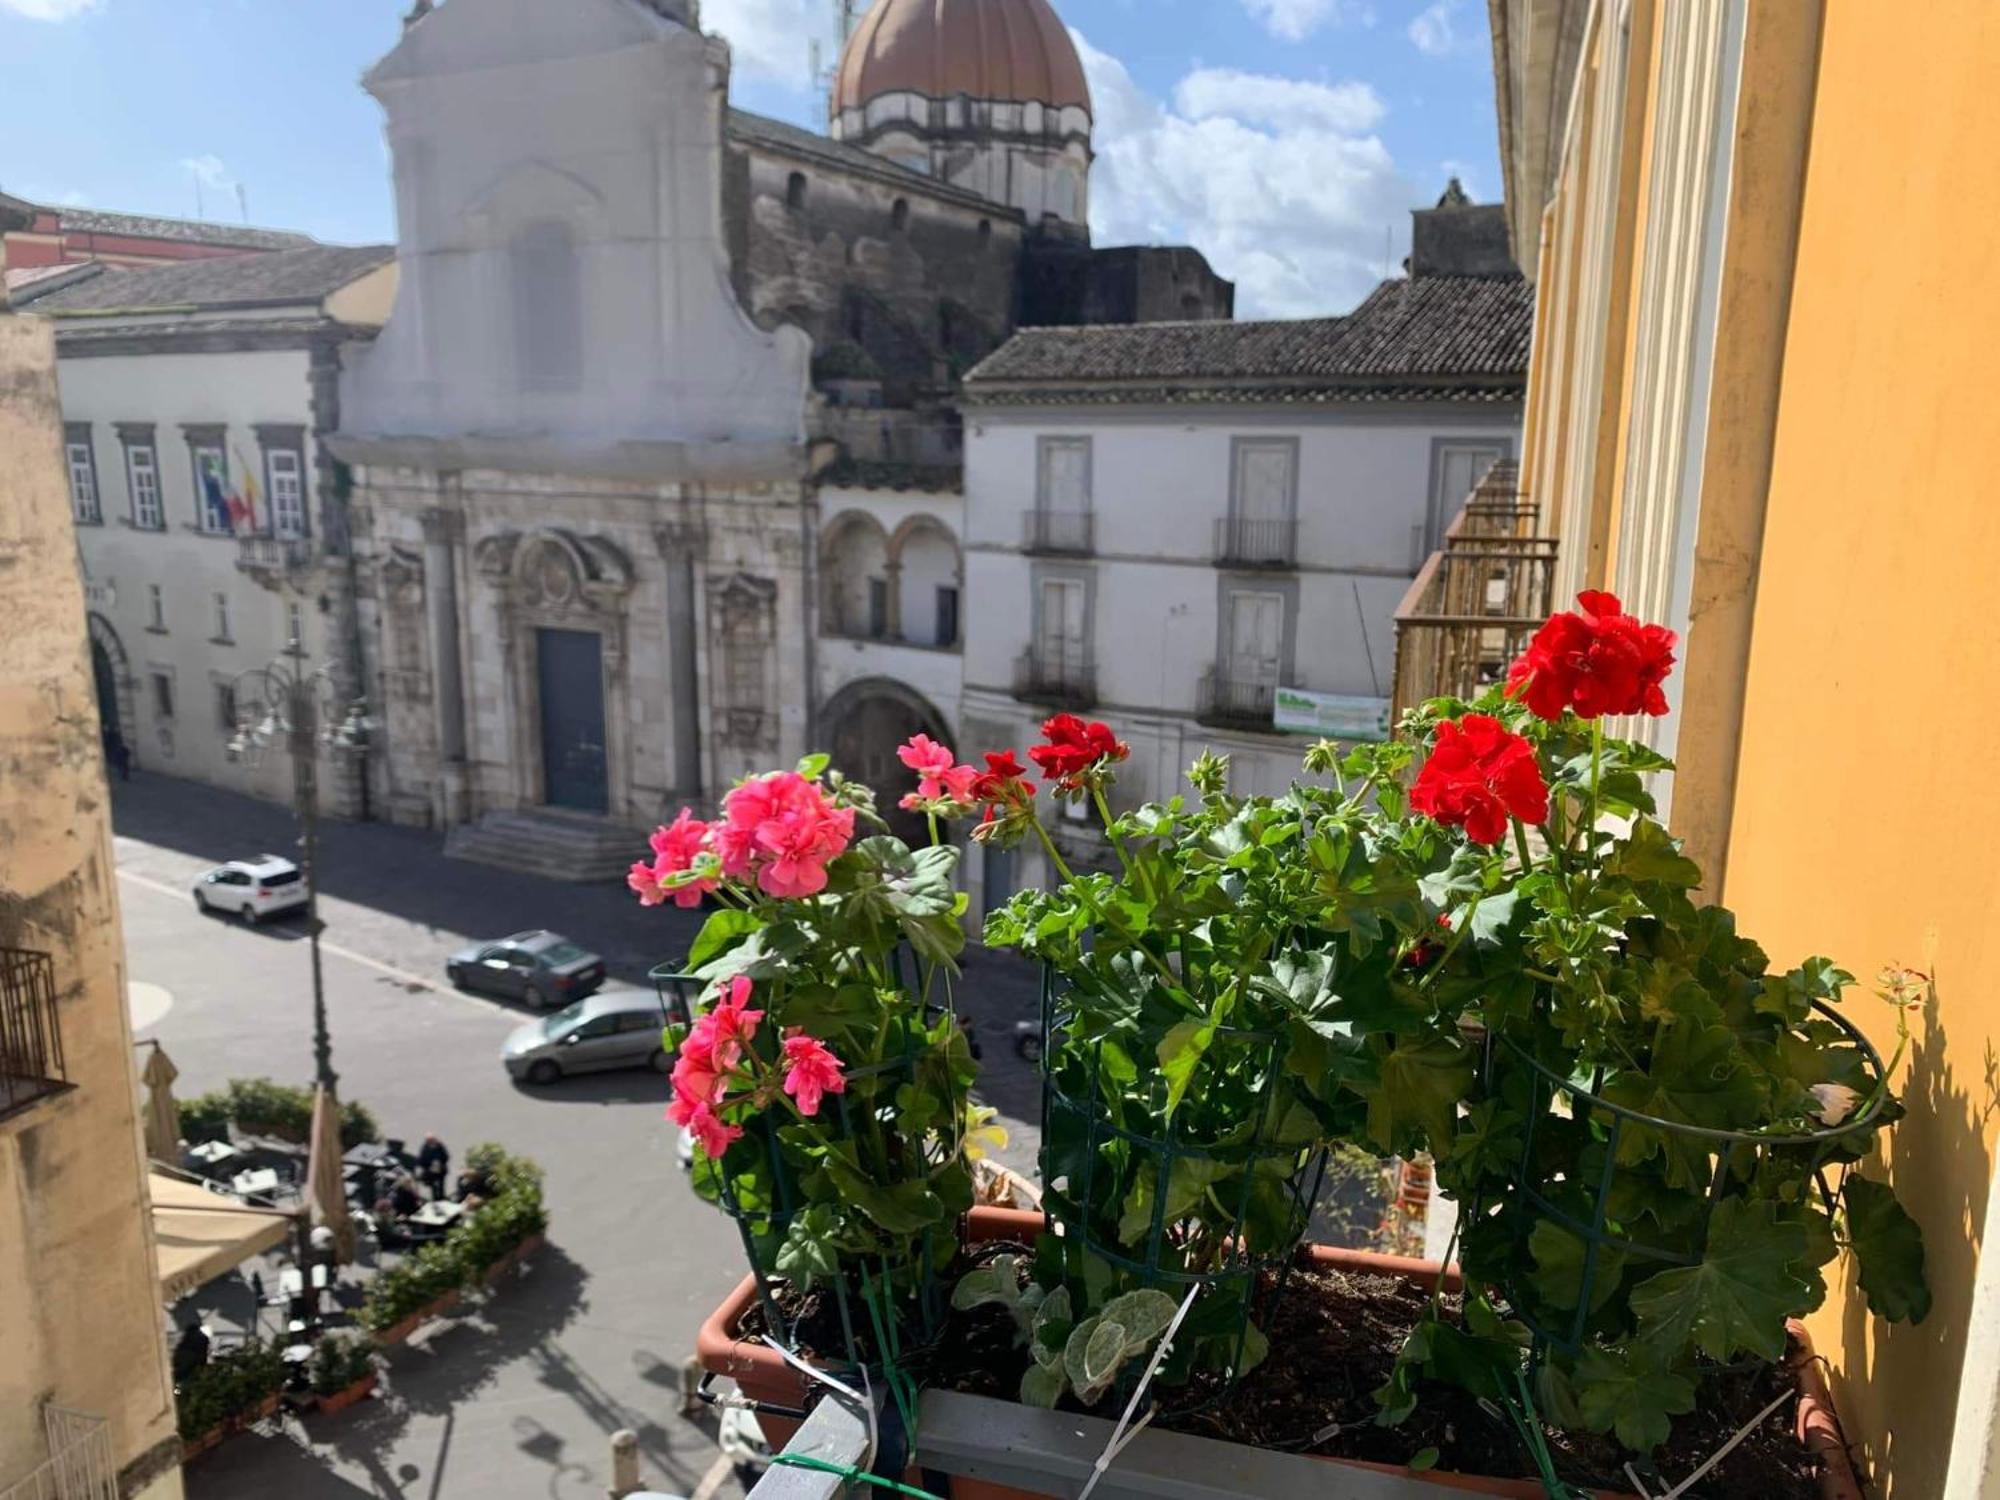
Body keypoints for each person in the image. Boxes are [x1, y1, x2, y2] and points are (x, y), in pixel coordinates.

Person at [172, 1319, 210, 1385]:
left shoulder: (187, 1339)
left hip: (187, 1356)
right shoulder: (203, 1338)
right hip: (193, 1359)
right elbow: (204, 1352)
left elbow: (178, 1354)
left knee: (182, 1373)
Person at [417, 1134, 450, 1201]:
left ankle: (442, 1198)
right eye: (430, 1140)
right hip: (430, 1171)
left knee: (441, 1185)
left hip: (441, 1170)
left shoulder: (440, 1146)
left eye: (433, 1140)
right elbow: (421, 1160)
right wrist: (429, 1165)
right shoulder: (424, 1148)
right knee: (433, 1186)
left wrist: (440, 1162)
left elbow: (446, 1156)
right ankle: (435, 1199)